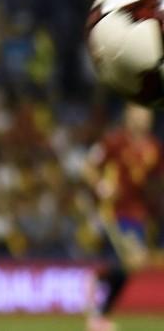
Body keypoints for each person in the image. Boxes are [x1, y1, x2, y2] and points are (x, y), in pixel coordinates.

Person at [83, 103, 161, 331]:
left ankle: (99, 300)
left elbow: (154, 181)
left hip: (139, 214)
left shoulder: (153, 147)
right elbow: (89, 166)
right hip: (115, 211)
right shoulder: (114, 141)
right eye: (138, 114)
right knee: (132, 261)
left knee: (131, 267)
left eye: (146, 115)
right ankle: (97, 294)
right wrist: (100, 186)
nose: (143, 119)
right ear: (128, 117)